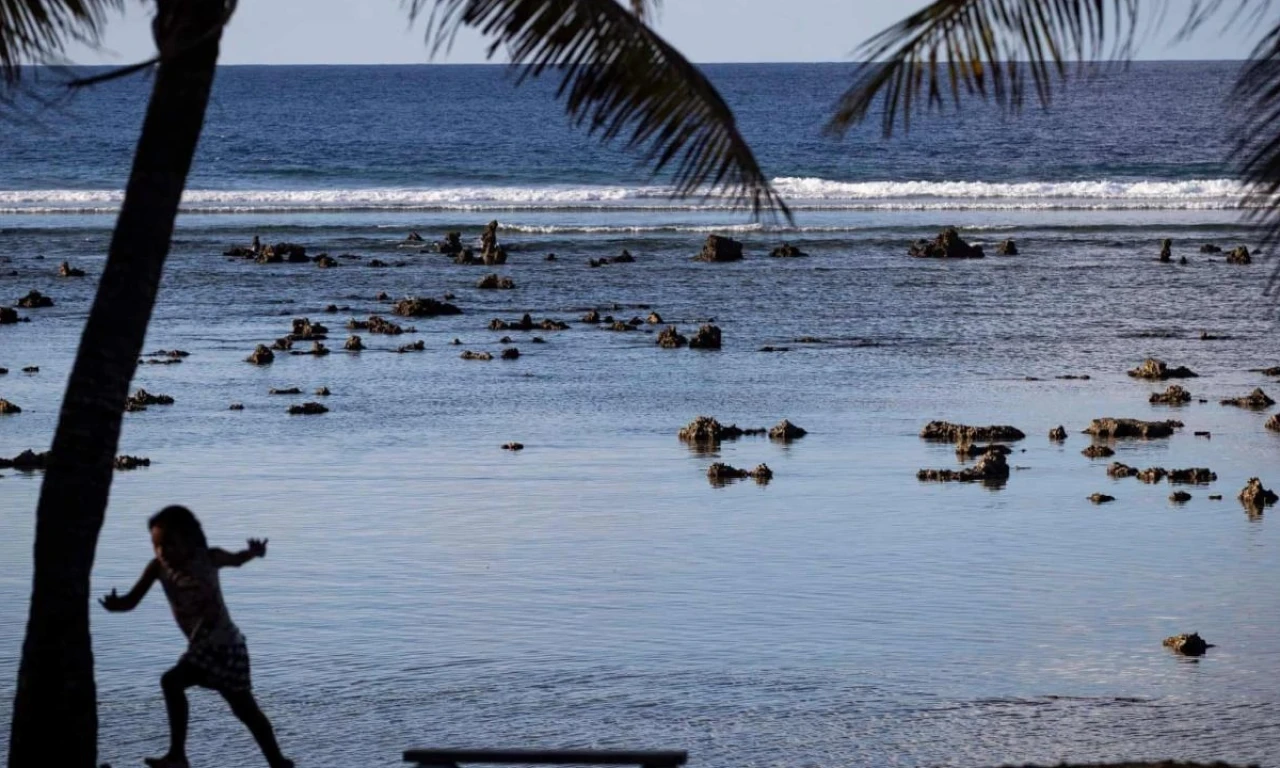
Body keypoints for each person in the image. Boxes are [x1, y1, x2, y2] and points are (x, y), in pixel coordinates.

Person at [100, 505, 293, 768]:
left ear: (189, 540)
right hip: (202, 647)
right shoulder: (157, 568)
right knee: (177, 685)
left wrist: (254, 552)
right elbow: (132, 601)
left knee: (243, 709)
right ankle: (179, 755)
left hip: (226, 646)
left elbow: (236, 559)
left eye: (169, 544)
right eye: (156, 545)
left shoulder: (208, 557)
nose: (162, 551)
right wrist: (116, 604)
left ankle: (276, 761)